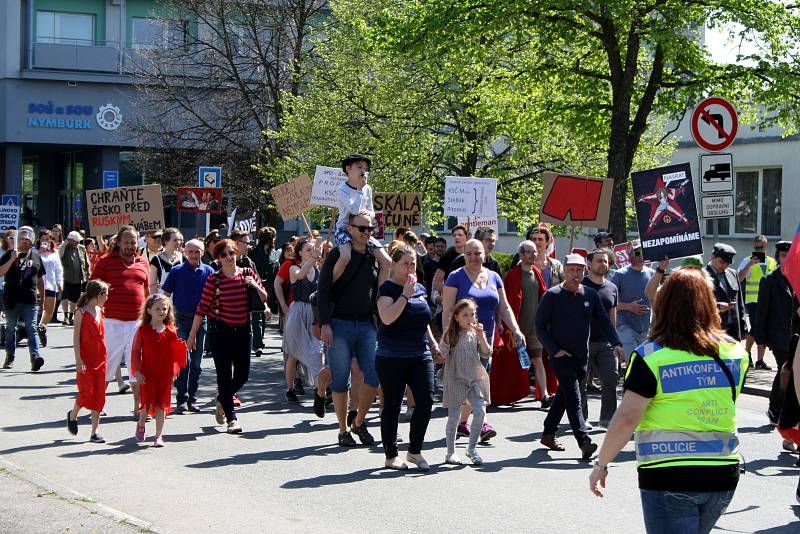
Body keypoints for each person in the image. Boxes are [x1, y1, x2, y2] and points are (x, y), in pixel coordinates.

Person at [589, 266, 749, 534]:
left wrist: (601, 464)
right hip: (722, 474)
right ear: (710, 304)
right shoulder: (735, 353)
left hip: (668, 475)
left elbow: (626, 419)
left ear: (664, 304)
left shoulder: (650, 357)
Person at [536, 254, 624, 460]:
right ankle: (583, 441)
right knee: (574, 398)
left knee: (563, 396)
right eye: (572, 269)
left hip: (581, 357)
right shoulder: (552, 295)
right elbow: (539, 326)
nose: (576, 274)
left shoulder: (590, 295)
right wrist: (554, 349)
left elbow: (604, 321)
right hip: (560, 357)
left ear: (584, 271)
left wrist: (617, 343)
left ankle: (548, 433)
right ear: (565, 270)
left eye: (579, 270)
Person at [442, 239, 524, 442]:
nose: (473, 257)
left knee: (479, 378)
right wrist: (448, 337)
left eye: (477, 253)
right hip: (462, 338)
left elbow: (503, 307)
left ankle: (464, 422)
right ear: (463, 254)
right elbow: (448, 310)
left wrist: (515, 329)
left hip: (486, 336)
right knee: (475, 380)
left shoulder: (495, 277)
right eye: (468, 253)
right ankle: (480, 421)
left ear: (484, 254)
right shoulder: (455, 277)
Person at [187, 239, 268, 434]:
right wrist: (192, 335)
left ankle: (222, 399)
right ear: (218, 258)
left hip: (242, 330)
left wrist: (254, 286)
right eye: (224, 255)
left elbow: (264, 296)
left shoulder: (247, 274)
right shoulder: (213, 279)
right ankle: (232, 419)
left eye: (231, 253)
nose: (229, 257)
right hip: (220, 331)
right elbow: (201, 309)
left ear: (237, 253)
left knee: (243, 374)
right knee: (224, 376)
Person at [317, 211, 381, 447]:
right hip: (339, 324)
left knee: (374, 373)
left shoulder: (373, 256)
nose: (367, 233)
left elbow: (384, 273)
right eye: (362, 228)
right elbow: (323, 290)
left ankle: (359, 422)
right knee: (341, 377)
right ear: (350, 229)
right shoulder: (338, 254)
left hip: (366, 324)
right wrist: (324, 323)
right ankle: (343, 429)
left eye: (370, 229)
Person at [375, 245, 438, 470]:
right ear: (394, 265)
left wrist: (433, 343)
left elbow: (423, 320)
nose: (410, 268)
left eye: (413, 264)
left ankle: (414, 451)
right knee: (392, 405)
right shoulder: (387, 289)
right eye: (405, 264)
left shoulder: (419, 287)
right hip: (392, 355)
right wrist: (404, 295)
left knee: (426, 400)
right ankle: (391, 455)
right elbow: (387, 318)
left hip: (420, 354)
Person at [90, 226, 150, 411]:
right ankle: (98, 404)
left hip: (137, 323)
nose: (130, 246)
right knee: (107, 366)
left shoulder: (143, 262)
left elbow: (146, 291)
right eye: (126, 242)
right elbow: (92, 290)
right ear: (118, 242)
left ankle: (138, 407)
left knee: (137, 368)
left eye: (133, 242)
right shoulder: (105, 261)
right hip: (111, 322)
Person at [491, 240, 551, 407]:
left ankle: (544, 396)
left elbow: (543, 297)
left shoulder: (537, 273)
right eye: (529, 252)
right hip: (514, 329)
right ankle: (508, 393)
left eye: (534, 252)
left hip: (533, 328)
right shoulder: (512, 275)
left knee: (538, 359)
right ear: (521, 254)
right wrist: (501, 323)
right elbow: (503, 303)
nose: (533, 255)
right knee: (512, 364)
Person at [161, 239, 214, 413]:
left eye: (197, 252)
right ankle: (181, 399)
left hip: (201, 321)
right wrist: (164, 316)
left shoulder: (209, 271)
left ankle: (192, 398)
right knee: (185, 361)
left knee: (197, 364)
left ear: (202, 252)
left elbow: (216, 297)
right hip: (180, 320)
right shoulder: (176, 271)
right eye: (190, 252)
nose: (193, 255)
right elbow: (165, 295)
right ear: (185, 252)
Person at [131, 294, 187, 447]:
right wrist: (136, 371)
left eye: (164, 308)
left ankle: (158, 436)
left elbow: (175, 353)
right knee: (147, 405)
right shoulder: (143, 330)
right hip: (147, 374)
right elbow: (135, 351)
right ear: (149, 310)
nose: (161, 311)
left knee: (161, 405)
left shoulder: (171, 330)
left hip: (164, 374)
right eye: (157, 308)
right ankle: (141, 423)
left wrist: (175, 372)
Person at [440, 299, 492, 465]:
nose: (470, 318)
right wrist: (441, 351)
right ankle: (450, 453)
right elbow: (442, 354)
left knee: (480, 412)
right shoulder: (451, 334)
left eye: (473, 314)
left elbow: (486, 353)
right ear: (456, 317)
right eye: (465, 315)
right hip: (455, 378)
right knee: (454, 416)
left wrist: (481, 337)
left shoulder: (475, 333)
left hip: (474, 378)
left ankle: (471, 448)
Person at [753, 241, 796, 425]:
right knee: (783, 368)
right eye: (783, 255)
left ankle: (784, 409)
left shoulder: (797, 278)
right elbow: (762, 310)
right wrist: (760, 338)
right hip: (777, 335)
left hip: (795, 335)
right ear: (778, 257)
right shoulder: (769, 279)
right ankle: (774, 407)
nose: (786, 259)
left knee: (791, 372)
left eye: (789, 255)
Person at [331, 154, 391, 284]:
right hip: (345, 230)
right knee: (345, 257)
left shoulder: (367, 188)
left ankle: (380, 298)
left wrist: (368, 214)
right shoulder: (342, 190)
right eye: (359, 167)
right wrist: (359, 189)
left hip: (364, 230)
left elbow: (372, 212)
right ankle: (327, 286)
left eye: (365, 168)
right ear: (348, 169)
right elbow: (354, 210)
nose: (363, 171)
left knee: (387, 262)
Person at [66, 280, 109, 443]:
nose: (107, 298)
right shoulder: (81, 312)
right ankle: (73, 414)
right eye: (106, 295)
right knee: (87, 392)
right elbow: (76, 338)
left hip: (101, 358)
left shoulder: (100, 310)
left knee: (99, 394)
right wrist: (78, 360)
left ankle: (95, 430)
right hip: (86, 359)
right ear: (98, 295)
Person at [581, 248, 619, 428]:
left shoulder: (612, 288)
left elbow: (613, 317)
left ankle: (608, 419)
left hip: (605, 343)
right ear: (589, 264)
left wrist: (615, 342)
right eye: (599, 261)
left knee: (611, 377)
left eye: (605, 261)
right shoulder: (580, 285)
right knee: (580, 381)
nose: (603, 264)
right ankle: (583, 418)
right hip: (583, 342)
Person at [282, 237, 323, 402]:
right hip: (298, 312)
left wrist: (321, 248)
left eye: (312, 249)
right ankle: (290, 388)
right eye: (308, 249)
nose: (311, 252)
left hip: (314, 312)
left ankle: (318, 387)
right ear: (300, 252)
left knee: (317, 351)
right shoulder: (294, 268)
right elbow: (300, 276)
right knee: (294, 353)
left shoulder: (319, 269)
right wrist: (313, 257)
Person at [0, 227, 46, 372]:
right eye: (22, 239)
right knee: (10, 329)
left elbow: (40, 279)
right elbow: (1, 272)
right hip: (12, 299)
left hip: (30, 299)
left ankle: (35, 356)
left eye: (28, 240)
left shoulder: (36, 257)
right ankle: (10, 357)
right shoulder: (9, 255)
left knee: (32, 328)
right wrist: (12, 259)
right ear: (17, 241)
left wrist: (42, 298)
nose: (25, 242)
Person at [611, 242, 655, 362]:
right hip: (625, 327)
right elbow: (609, 304)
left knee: (647, 363)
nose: (640, 256)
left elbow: (656, 299)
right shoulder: (619, 275)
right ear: (629, 256)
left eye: (642, 252)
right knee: (632, 362)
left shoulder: (652, 273)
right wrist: (629, 307)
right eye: (636, 253)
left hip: (646, 328)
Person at [738, 235, 777, 369]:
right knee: (756, 329)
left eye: (763, 247)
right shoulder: (746, 261)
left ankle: (759, 360)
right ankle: (747, 355)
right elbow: (738, 278)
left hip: (769, 302)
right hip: (753, 301)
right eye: (757, 247)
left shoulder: (772, 262)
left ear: (767, 247)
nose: (760, 250)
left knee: (763, 330)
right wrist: (749, 265)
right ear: (754, 247)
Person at [705, 243, 746, 341]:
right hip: (714, 329)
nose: (724, 266)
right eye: (721, 262)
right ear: (713, 256)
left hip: (733, 328)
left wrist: (743, 325)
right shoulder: (702, 275)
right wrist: (717, 306)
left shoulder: (733, 273)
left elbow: (739, 301)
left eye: (727, 263)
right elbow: (699, 304)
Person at [37, 230, 63, 346]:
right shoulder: (34, 252)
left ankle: (42, 327)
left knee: (49, 311)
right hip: (38, 285)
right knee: (39, 309)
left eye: (47, 239)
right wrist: (38, 253)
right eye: (43, 239)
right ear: (39, 240)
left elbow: (58, 269)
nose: (45, 241)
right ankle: (36, 330)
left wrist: (60, 282)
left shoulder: (54, 253)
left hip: (51, 285)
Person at [60, 231, 91, 326]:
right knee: (65, 297)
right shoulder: (65, 248)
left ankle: (70, 317)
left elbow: (86, 261)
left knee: (75, 298)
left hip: (78, 278)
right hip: (66, 277)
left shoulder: (81, 248)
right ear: (70, 240)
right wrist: (64, 244)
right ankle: (65, 317)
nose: (78, 243)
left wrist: (88, 271)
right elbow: (59, 256)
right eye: (75, 241)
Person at [250, 226, 281, 318]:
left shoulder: (273, 253)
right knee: (257, 319)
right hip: (256, 290)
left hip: (270, 291)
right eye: (274, 237)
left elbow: (276, 271)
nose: (275, 239)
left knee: (265, 319)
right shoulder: (253, 251)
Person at [148, 227, 184, 294]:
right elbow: (152, 285)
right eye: (175, 240)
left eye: (179, 240)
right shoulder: (156, 259)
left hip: (179, 299)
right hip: (163, 299)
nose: (178, 242)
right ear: (166, 241)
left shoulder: (183, 258)